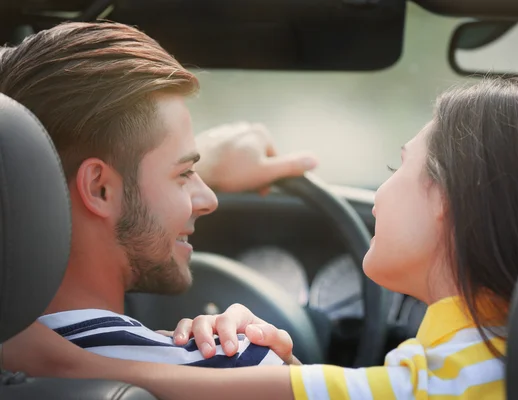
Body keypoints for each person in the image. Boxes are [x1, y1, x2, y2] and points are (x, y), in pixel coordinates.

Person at [8, 75, 518, 399]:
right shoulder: (497, 352)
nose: (383, 191)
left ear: (448, 202)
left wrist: (58, 360)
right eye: (183, 176)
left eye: (399, 169)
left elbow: (259, 394)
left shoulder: (462, 373)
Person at [0, 21, 317, 367]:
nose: (209, 200)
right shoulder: (235, 373)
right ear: (99, 188)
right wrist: (270, 362)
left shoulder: (18, 355)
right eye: (183, 174)